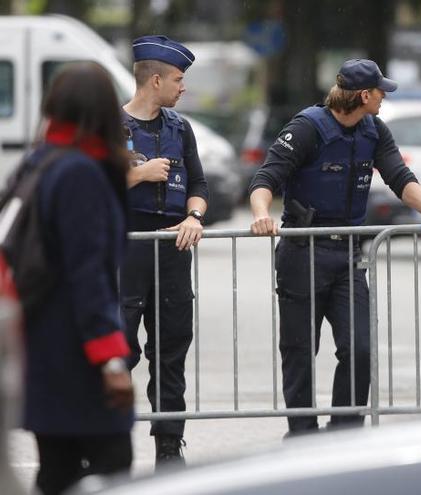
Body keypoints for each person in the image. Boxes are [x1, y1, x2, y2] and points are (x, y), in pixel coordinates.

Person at [249, 59, 421, 436]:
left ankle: (344, 431)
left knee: (360, 348)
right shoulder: (306, 128)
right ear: (364, 95)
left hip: (348, 255)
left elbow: (400, 177)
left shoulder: (374, 130)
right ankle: (301, 432)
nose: (384, 96)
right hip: (303, 252)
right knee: (299, 352)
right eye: (381, 91)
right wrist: (261, 213)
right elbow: (267, 176)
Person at [20, 62, 134, 495]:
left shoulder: (39, 161)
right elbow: (88, 272)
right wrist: (110, 359)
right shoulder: (81, 172)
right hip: (76, 349)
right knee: (113, 462)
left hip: (39, 342)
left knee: (58, 467)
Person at [121, 35, 208, 463]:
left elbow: (199, 183)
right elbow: (89, 184)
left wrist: (195, 215)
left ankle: (169, 446)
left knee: (171, 351)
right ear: (155, 80)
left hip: (174, 248)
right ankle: (107, 442)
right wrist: (139, 176)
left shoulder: (180, 128)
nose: (183, 86)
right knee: (119, 351)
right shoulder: (112, 127)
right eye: (178, 78)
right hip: (126, 248)